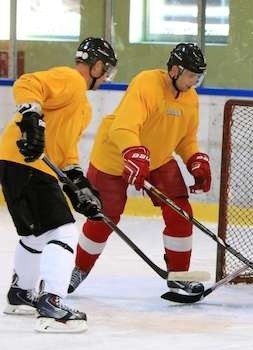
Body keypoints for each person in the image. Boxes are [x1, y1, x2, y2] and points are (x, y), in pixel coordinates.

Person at [67, 43, 211, 301]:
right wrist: (133, 152)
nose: (193, 82)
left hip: (157, 159)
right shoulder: (147, 83)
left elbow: (185, 139)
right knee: (104, 216)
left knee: (180, 212)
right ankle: (79, 269)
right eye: (191, 75)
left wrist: (194, 160)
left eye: (197, 77)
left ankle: (179, 276)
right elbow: (123, 127)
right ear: (175, 70)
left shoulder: (191, 98)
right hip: (113, 157)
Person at [0, 37, 118, 332]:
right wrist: (30, 118)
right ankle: (52, 302)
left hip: (17, 164)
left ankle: (20, 294)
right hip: (28, 165)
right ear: (97, 65)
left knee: (36, 235)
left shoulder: (83, 108)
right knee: (63, 231)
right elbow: (27, 83)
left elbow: (65, 151)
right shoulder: (71, 80)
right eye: (107, 71)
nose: (106, 78)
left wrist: (78, 183)